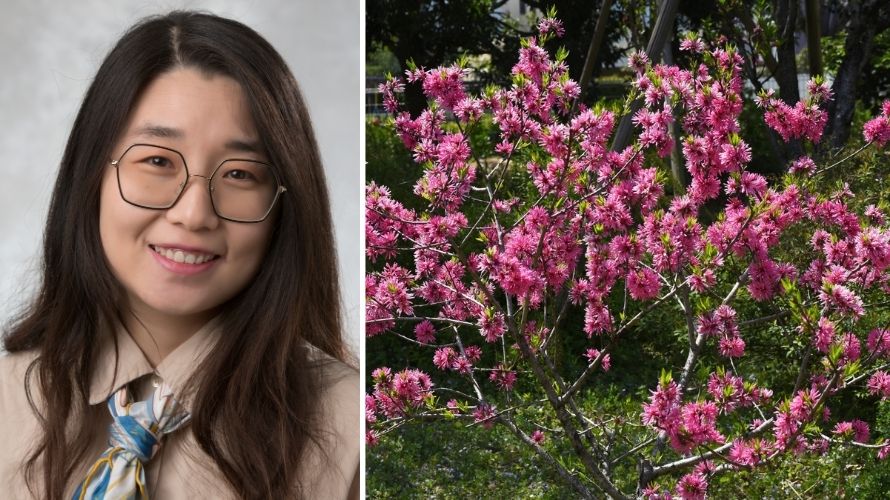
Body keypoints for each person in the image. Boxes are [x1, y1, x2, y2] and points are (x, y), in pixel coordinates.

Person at [0, 10, 358, 499]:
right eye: (157, 161)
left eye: (240, 174)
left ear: (284, 204)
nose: (193, 214)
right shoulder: (7, 400)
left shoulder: (351, 428)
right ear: (92, 175)